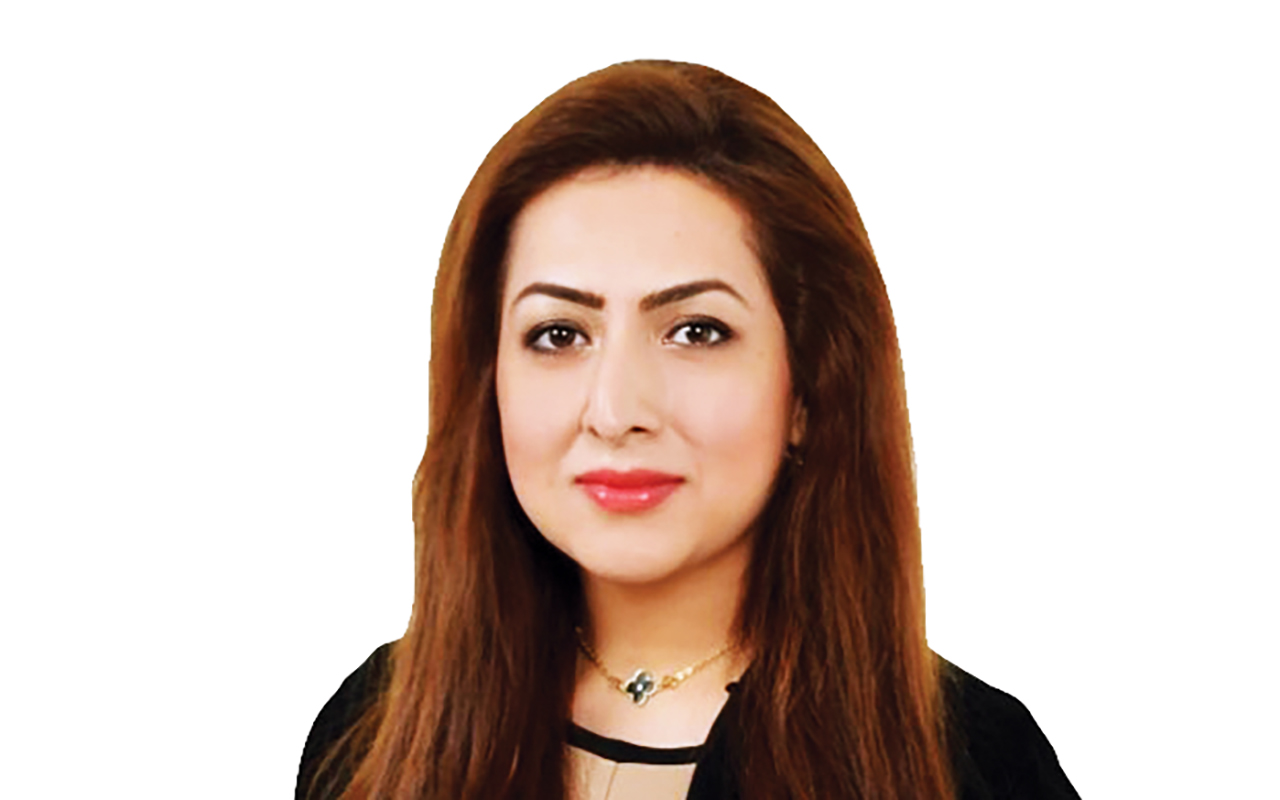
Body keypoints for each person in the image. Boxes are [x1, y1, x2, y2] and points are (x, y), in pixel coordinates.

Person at [296, 59, 1080, 800]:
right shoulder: (374, 733)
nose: (615, 411)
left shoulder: (972, 762)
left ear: (808, 390)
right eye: (559, 334)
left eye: (696, 332)